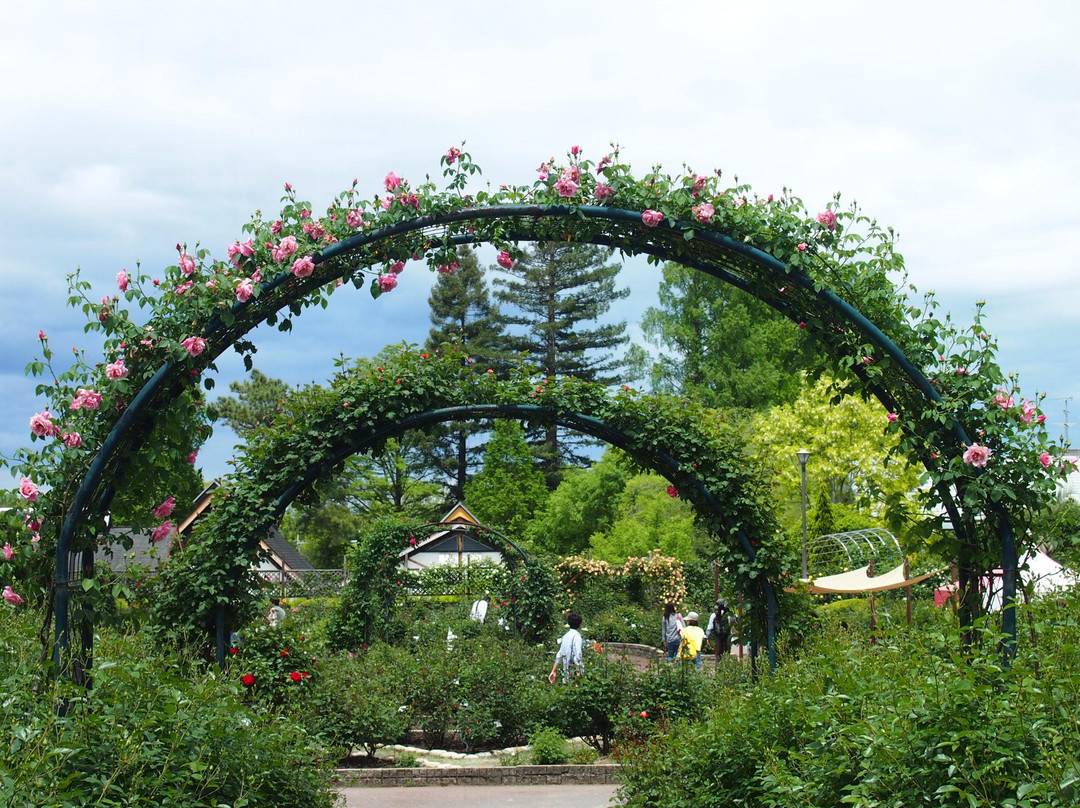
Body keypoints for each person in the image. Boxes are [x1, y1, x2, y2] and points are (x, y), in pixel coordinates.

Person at [548, 612, 584, 683]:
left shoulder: (565, 636)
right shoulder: (577, 637)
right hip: (574, 673)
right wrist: (578, 672)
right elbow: (578, 654)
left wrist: (553, 671)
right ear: (580, 625)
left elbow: (559, 654)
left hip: (566, 673)